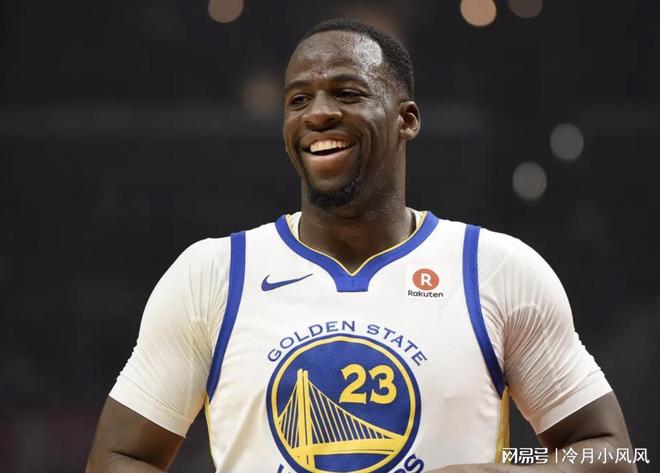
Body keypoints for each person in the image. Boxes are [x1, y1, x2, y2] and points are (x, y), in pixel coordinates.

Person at [86, 18, 635, 473]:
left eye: (347, 93)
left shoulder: (495, 269)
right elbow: (119, 457)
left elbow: (611, 453)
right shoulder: (214, 274)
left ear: (407, 120)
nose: (318, 113)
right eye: (298, 99)